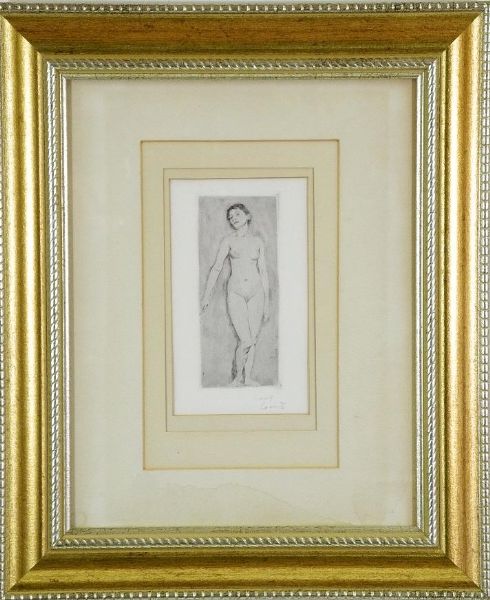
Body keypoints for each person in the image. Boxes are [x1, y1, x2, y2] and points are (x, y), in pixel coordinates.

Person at [201, 203, 270, 386]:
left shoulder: (258, 242)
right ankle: (237, 378)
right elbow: (216, 268)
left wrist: (267, 302)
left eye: (237, 214)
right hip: (236, 292)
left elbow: (263, 272)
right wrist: (206, 295)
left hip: (257, 293)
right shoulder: (228, 241)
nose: (234, 219)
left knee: (252, 339)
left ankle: (247, 378)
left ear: (247, 216)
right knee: (245, 339)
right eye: (230, 217)